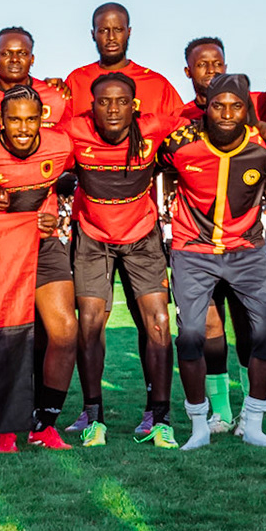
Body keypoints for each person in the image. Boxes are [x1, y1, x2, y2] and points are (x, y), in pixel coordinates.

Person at [157, 75, 266, 450]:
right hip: (193, 252)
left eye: (236, 106)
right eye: (218, 105)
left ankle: (254, 423)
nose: (227, 113)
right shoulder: (180, 144)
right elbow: (145, 165)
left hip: (247, 250)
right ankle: (200, 424)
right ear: (206, 108)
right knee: (190, 336)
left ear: (247, 111)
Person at [64, 72, 181, 448]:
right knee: (90, 324)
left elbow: (199, 119)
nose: (112, 109)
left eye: (121, 102)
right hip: (93, 237)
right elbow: (35, 142)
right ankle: (93, 416)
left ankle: (160, 419)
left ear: (135, 106)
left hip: (142, 236)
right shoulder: (75, 130)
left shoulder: (154, 127)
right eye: (104, 102)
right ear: (91, 107)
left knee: (159, 323)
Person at [0, 85, 78, 453]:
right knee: (5, 338)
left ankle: (44, 425)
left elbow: (72, 177)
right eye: (14, 119)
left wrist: (53, 209)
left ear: (42, 119)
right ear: (1, 120)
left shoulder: (61, 145)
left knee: (65, 332)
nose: (23, 128)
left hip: (44, 244)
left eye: (30, 119)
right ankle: (2, 425)